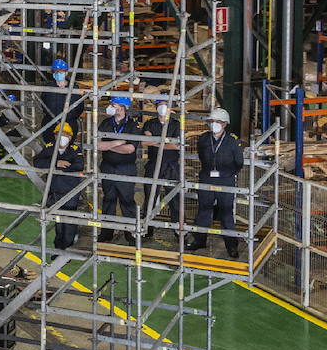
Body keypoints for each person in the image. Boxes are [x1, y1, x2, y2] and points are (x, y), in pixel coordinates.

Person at [186, 107, 243, 256]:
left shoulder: (232, 141)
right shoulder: (204, 138)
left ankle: (231, 245)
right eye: (212, 121)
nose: (214, 124)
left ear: (224, 124)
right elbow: (201, 154)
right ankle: (199, 240)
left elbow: (239, 162)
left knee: (226, 213)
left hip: (226, 180)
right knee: (203, 211)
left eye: (217, 121)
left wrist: (225, 173)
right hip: (206, 178)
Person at [96, 95, 140, 244]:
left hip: (125, 168)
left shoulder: (132, 126)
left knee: (127, 201)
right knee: (108, 200)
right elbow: (98, 145)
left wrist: (109, 146)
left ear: (122, 107)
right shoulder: (106, 123)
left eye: (113, 104)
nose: (111, 107)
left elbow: (129, 149)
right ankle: (106, 232)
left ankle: (131, 234)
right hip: (108, 166)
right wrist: (117, 142)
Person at [35, 122, 83, 251]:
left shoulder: (75, 150)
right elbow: (38, 162)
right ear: (55, 136)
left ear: (70, 137)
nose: (62, 137)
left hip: (70, 190)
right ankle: (58, 249)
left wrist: (62, 168)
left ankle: (67, 249)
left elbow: (79, 166)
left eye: (65, 134)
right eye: (59, 134)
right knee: (58, 222)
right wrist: (56, 163)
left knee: (68, 221)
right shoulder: (50, 147)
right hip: (55, 189)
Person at [142, 95, 183, 231]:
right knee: (150, 197)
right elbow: (144, 141)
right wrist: (167, 141)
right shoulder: (150, 123)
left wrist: (156, 141)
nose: (162, 107)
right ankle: (148, 228)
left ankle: (177, 229)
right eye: (160, 104)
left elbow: (176, 146)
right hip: (154, 164)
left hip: (172, 165)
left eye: (166, 104)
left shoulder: (176, 124)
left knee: (174, 198)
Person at [40, 58, 85, 138]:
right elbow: (43, 104)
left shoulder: (74, 88)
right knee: (50, 146)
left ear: (66, 73)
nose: (58, 73)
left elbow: (79, 107)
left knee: (66, 146)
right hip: (50, 123)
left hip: (69, 123)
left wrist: (70, 117)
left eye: (61, 71)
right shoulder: (48, 87)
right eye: (55, 71)